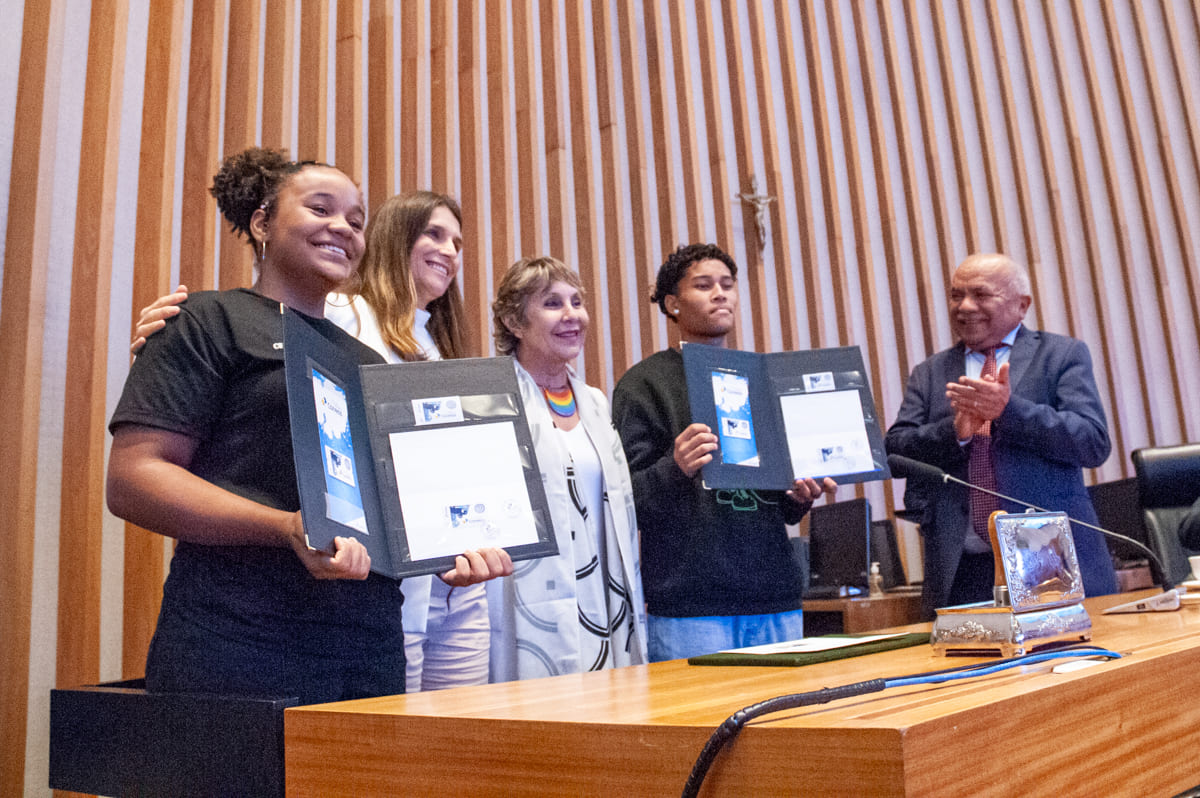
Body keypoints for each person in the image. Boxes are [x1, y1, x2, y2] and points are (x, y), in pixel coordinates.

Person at [131, 191, 512, 693]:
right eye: (434, 234)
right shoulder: (335, 312)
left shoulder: (441, 346)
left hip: (422, 588)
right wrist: (163, 339)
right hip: (290, 604)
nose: (450, 251)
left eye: (458, 242)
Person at [107, 147, 406, 704]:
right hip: (237, 639)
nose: (342, 227)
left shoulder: (368, 363)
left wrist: (456, 551)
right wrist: (286, 527)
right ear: (263, 222)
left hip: (369, 647)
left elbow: (391, 508)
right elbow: (134, 478)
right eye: (320, 209)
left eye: (357, 220)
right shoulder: (206, 320)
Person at [611, 243, 836, 662]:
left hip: (774, 594)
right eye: (704, 285)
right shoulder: (644, 384)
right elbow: (626, 502)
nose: (720, 294)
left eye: (728, 285)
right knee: (698, 728)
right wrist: (675, 467)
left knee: (784, 726)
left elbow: (777, 501)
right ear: (673, 303)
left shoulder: (760, 378)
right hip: (692, 604)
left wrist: (797, 497)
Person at [885, 252, 1119, 618]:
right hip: (962, 565)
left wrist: (1007, 411)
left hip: (1046, 552)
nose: (964, 306)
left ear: (1021, 305)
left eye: (980, 295)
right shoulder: (930, 372)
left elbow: (1092, 442)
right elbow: (895, 451)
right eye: (955, 295)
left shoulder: (1061, 355)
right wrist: (954, 433)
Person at [487, 256, 648, 681]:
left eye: (577, 302)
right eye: (553, 303)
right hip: (525, 599)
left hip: (603, 592)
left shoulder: (594, 401)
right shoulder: (494, 399)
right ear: (513, 321)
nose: (572, 315)